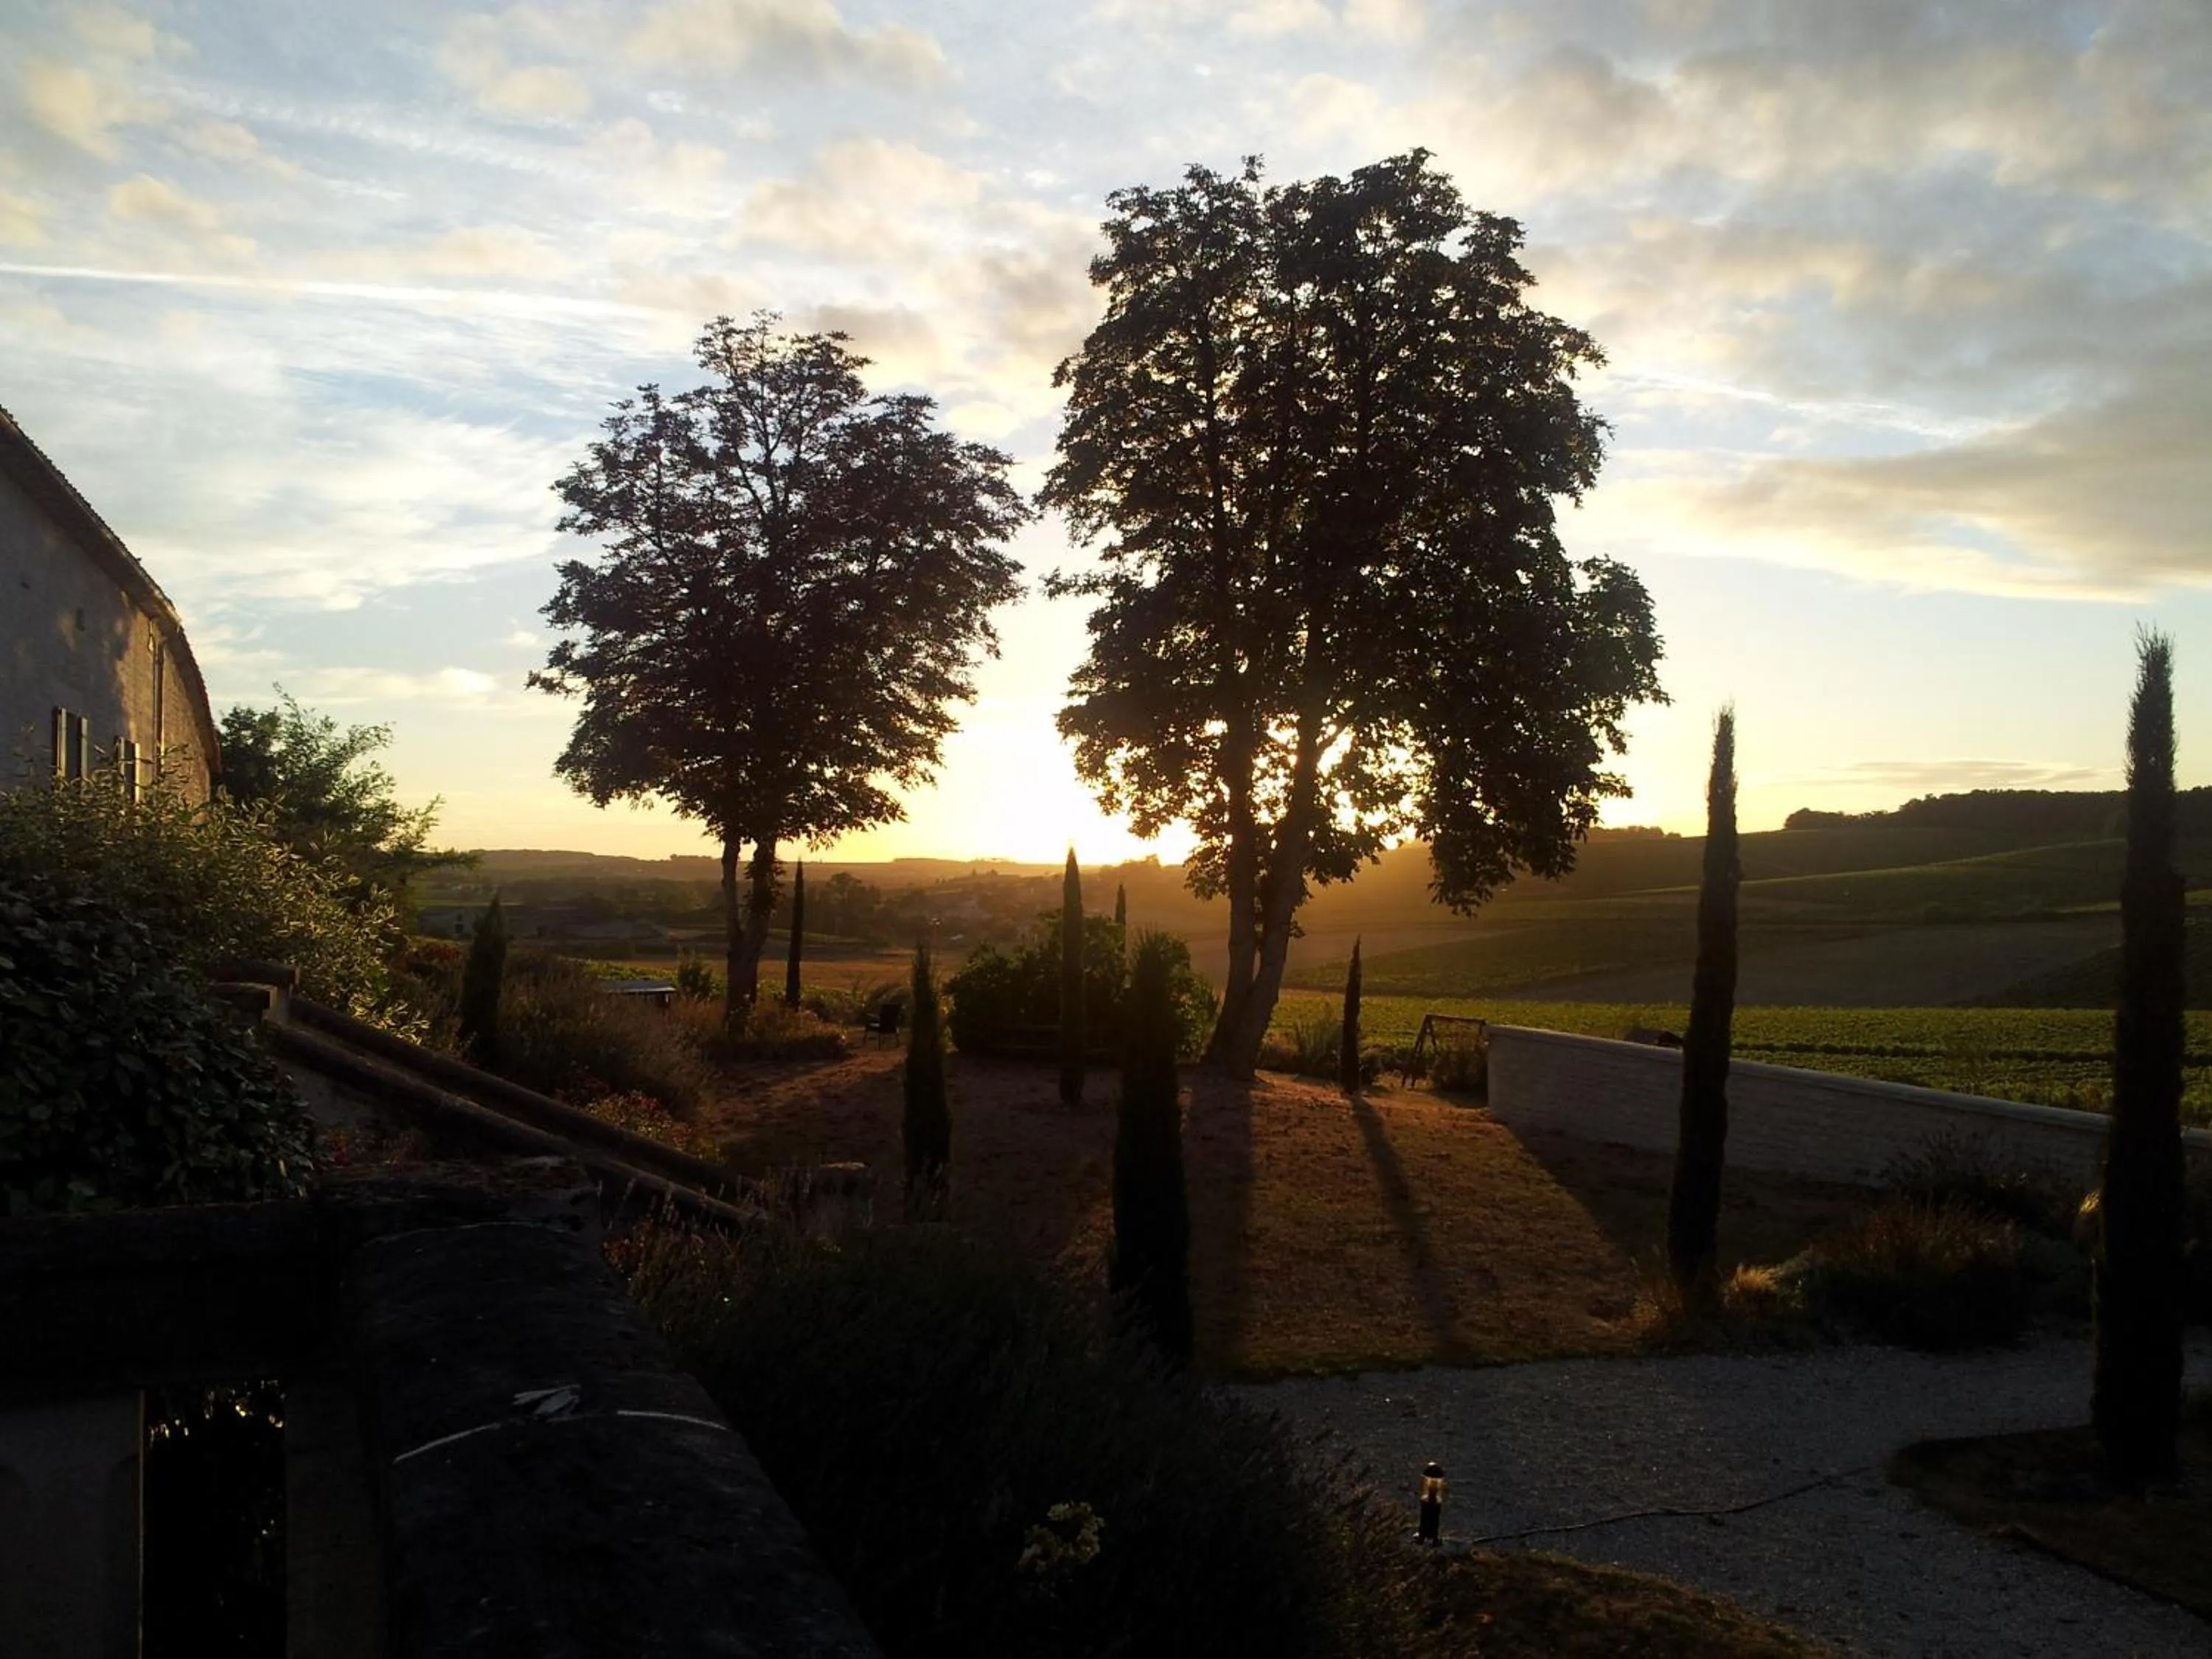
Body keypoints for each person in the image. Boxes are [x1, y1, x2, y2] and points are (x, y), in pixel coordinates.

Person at [1416, 1461, 1447, 1545]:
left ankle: (1425, 1535)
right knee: (1432, 1518)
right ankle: (1431, 1536)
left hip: (1428, 1503)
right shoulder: (1438, 1479)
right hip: (1432, 1504)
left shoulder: (1427, 1478)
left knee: (1428, 1518)